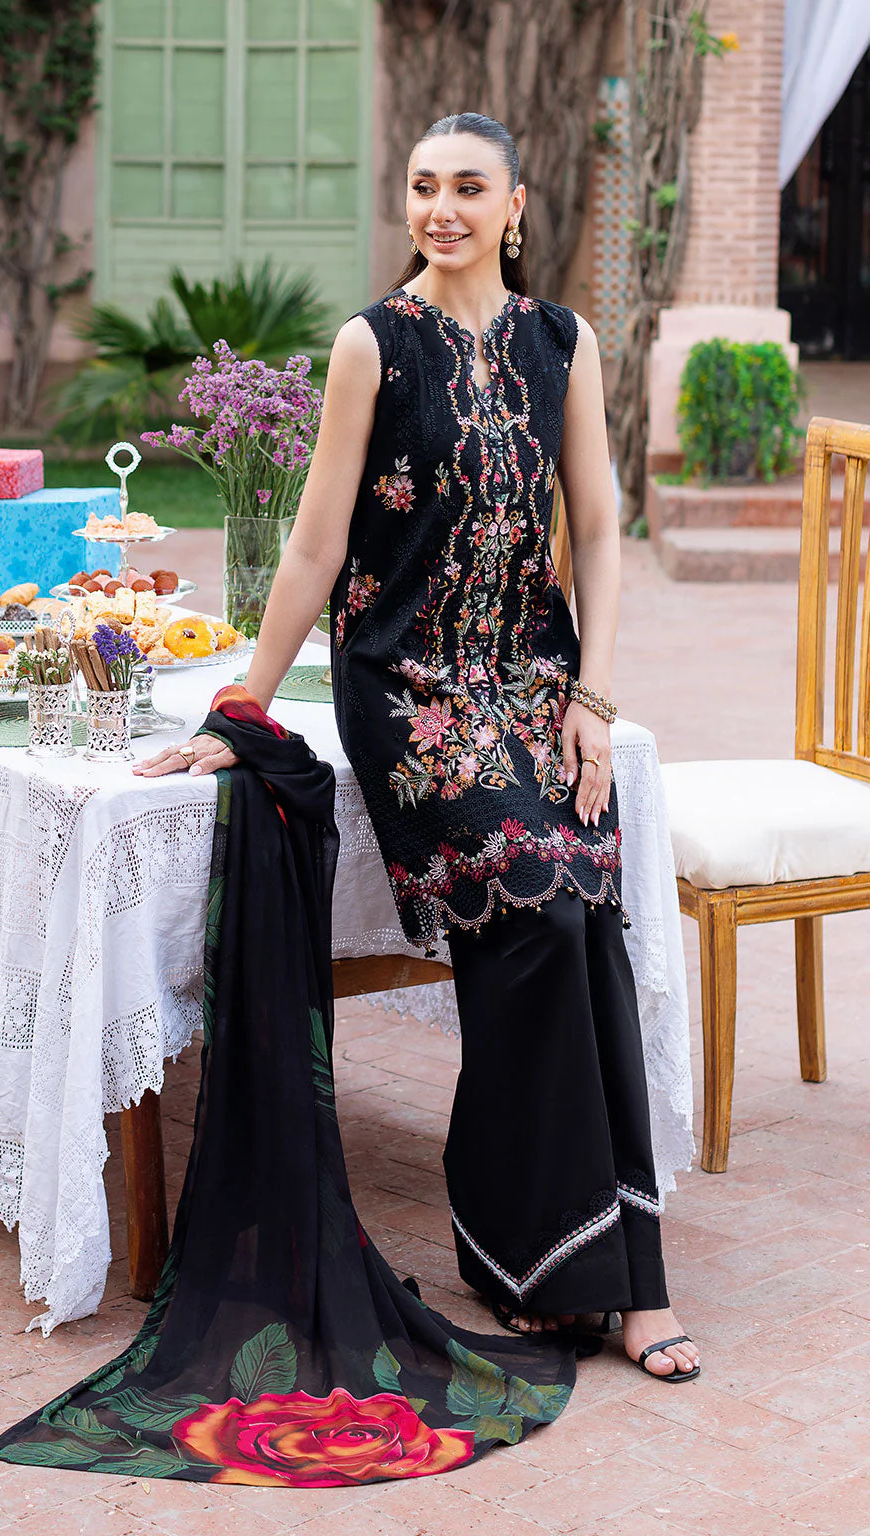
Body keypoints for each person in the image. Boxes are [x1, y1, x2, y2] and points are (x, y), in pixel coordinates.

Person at [135, 112, 699, 1383]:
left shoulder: (563, 342)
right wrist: (245, 707)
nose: (442, 208)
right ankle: (546, 1257)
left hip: (535, 679)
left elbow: (599, 526)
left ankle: (602, 1273)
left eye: (469, 188)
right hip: (407, 688)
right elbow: (314, 544)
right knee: (539, 907)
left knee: (585, 913)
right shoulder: (370, 345)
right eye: (423, 186)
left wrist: (593, 697)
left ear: (515, 205)